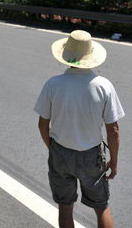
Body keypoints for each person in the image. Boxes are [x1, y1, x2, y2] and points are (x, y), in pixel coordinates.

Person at [34, 30, 124, 228]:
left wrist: (53, 148)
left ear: (66, 55)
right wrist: (114, 162)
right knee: (101, 206)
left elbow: (42, 124)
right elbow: (113, 130)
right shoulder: (103, 86)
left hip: (60, 151)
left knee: (65, 206)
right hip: (91, 154)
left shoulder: (53, 84)